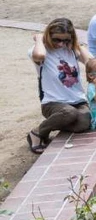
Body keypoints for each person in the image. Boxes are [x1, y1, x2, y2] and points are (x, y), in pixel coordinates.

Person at [27, 19, 92, 154]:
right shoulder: (41, 51)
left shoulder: (71, 50)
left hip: (77, 100)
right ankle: (37, 133)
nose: (61, 44)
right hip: (52, 102)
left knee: (84, 122)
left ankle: (60, 122)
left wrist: (76, 45)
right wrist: (39, 39)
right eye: (56, 40)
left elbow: (90, 62)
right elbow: (38, 55)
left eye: (66, 40)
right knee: (69, 113)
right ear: (48, 36)